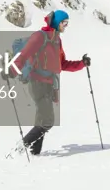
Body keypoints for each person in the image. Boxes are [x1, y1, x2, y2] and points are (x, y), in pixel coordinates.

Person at [8, 9, 90, 155]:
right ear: (57, 22)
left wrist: (82, 63)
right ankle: (20, 148)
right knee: (48, 120)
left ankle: (34, 153)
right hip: (37, 83)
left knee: (42, 120)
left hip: (50, 84)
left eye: (67, 23)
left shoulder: (57, 40)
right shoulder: (39, 37)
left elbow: (62, 64)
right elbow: (24, 54)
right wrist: (12, 71)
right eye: (64, 23)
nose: (66, 25)